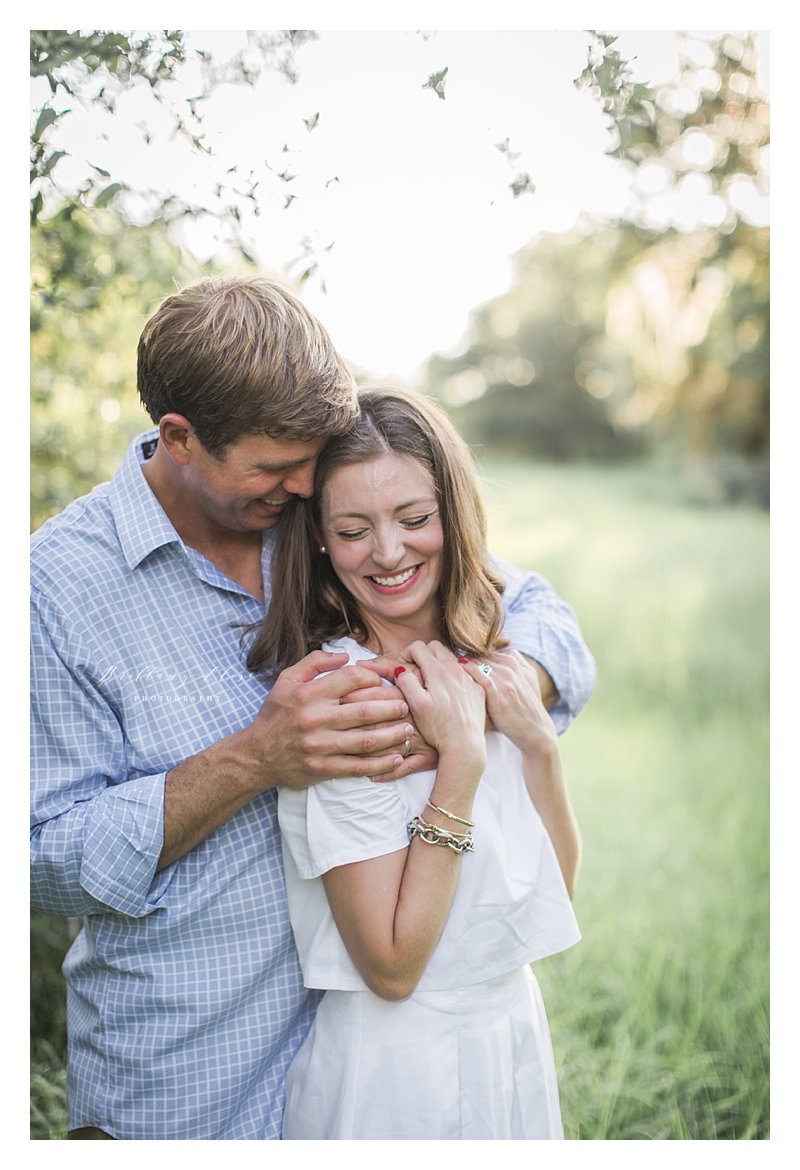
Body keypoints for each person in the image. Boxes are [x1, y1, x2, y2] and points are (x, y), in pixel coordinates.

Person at [30, 276, 595, 1140]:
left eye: (312, 461)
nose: (302, 485)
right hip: (194, 1073)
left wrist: (465, 710)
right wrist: (255, 758)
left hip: (376, 1044)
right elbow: (38, 858)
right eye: (276, 466)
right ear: (179, 439)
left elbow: (536, 617)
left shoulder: (322, 519)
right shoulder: (56, 589)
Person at [248, 387, 585, 1140]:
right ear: (323, 544)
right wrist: (461, 760)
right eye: (354, 529)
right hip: (395, 1076)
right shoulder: (342, 701)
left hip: (508, 1039)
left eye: (414, 518)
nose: (390, 553)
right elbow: (393, 967)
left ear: (453, 517)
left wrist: (537, 745)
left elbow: (554, 894)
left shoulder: (491, 667)